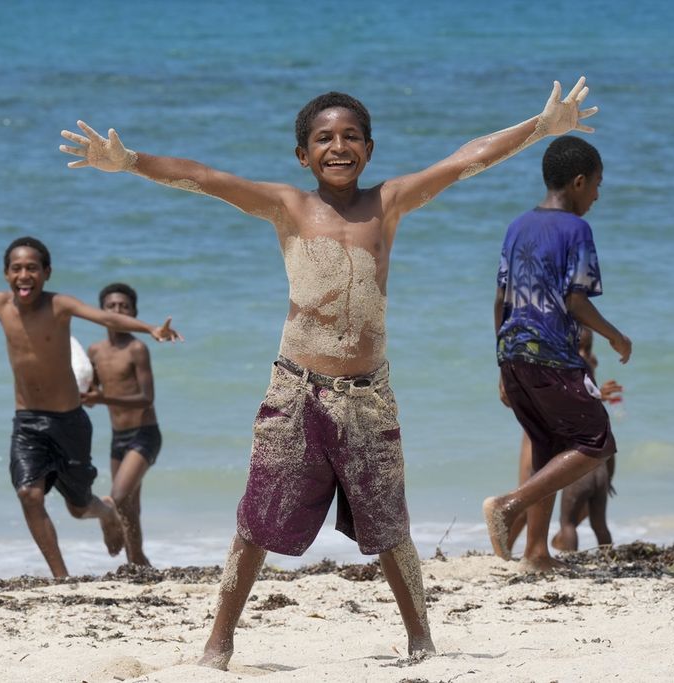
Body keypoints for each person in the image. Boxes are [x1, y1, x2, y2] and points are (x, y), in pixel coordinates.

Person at [60, 77, 598, 667]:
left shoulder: (387, 202)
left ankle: (421, 639)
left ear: (369, 149)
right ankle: (219, 642)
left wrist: (540, 127)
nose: (337, 147)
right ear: (302, 154)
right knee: (257, 518)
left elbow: (464, 160)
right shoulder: (288, 206)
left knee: (390, 522)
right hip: (296, 390)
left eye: (350, 137)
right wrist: (130, 161)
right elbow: (207, 178)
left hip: (368, 395)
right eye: (323, 138)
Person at [0, 237, 181, 578]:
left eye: (32, 268)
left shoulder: (60, 305)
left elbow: (103, 317)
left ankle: (107, 514)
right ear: (6, 274)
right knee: (28, 493)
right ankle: (61, 577)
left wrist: (150, 328)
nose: (24, 274)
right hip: (27, 422)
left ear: (46, 273)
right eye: (16, 268)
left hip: (69, 422)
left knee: (79, 507)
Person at [485, 135, 632, 573]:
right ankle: (509, 505)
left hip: (512, 353)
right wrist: (615, 337)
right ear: (579, 181)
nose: (598, 196)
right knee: (597, 441)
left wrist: (500, 364)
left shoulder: (517, 226)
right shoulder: (577, 229)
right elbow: (575, 302)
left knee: (548, 449)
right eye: (597, 186)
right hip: (551, 353)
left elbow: (499, 298)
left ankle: (535, 552)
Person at [503, 327, 623, 553]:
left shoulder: (580, 358)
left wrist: (597, 394)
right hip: (539, 431)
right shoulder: (555, 356)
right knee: (529, 496)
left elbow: (580, 397)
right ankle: (507, 549)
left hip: (561, 431)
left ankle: (544, 545)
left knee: (540, 497)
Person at [83, 283, 162, 566]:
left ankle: (135, 554)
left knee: (117, 497)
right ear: (101, 312)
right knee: (129, 505)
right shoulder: (94, 351)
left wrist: (101, 398)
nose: (117, 311)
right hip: (118, 438)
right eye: (111, 306)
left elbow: (146, 398)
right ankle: (136, 561)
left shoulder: (136, 348)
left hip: (144, 434)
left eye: (124, 307)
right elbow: (91, 397)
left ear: (133, 313)